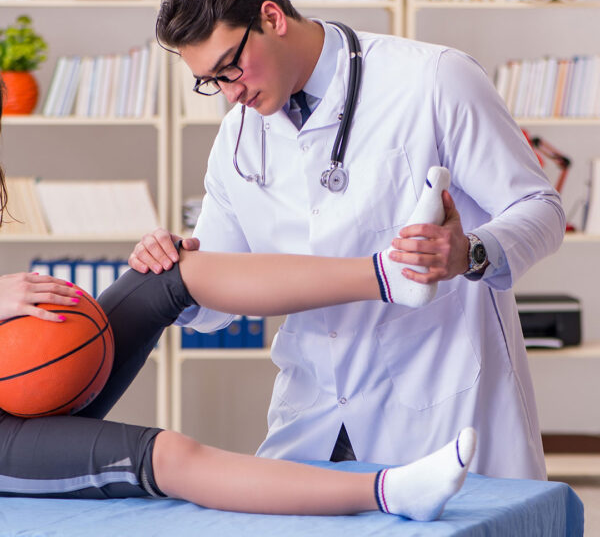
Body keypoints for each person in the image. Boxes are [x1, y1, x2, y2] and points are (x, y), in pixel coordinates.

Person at [130, 0, 566, 480]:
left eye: (230, 68)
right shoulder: (237, 140)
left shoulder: (432, 79)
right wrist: (172, 270)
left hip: (439, 407)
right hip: (313, 414)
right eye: (211, 81)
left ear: (272, 17)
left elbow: (540, 208)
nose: (230, 94)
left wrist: (471, 252)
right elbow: (216, 299)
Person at [0, 79, 477, 520]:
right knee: (169, 454)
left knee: (170, 271)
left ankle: (390, 275)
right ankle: (392, 492)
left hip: (22, 378)